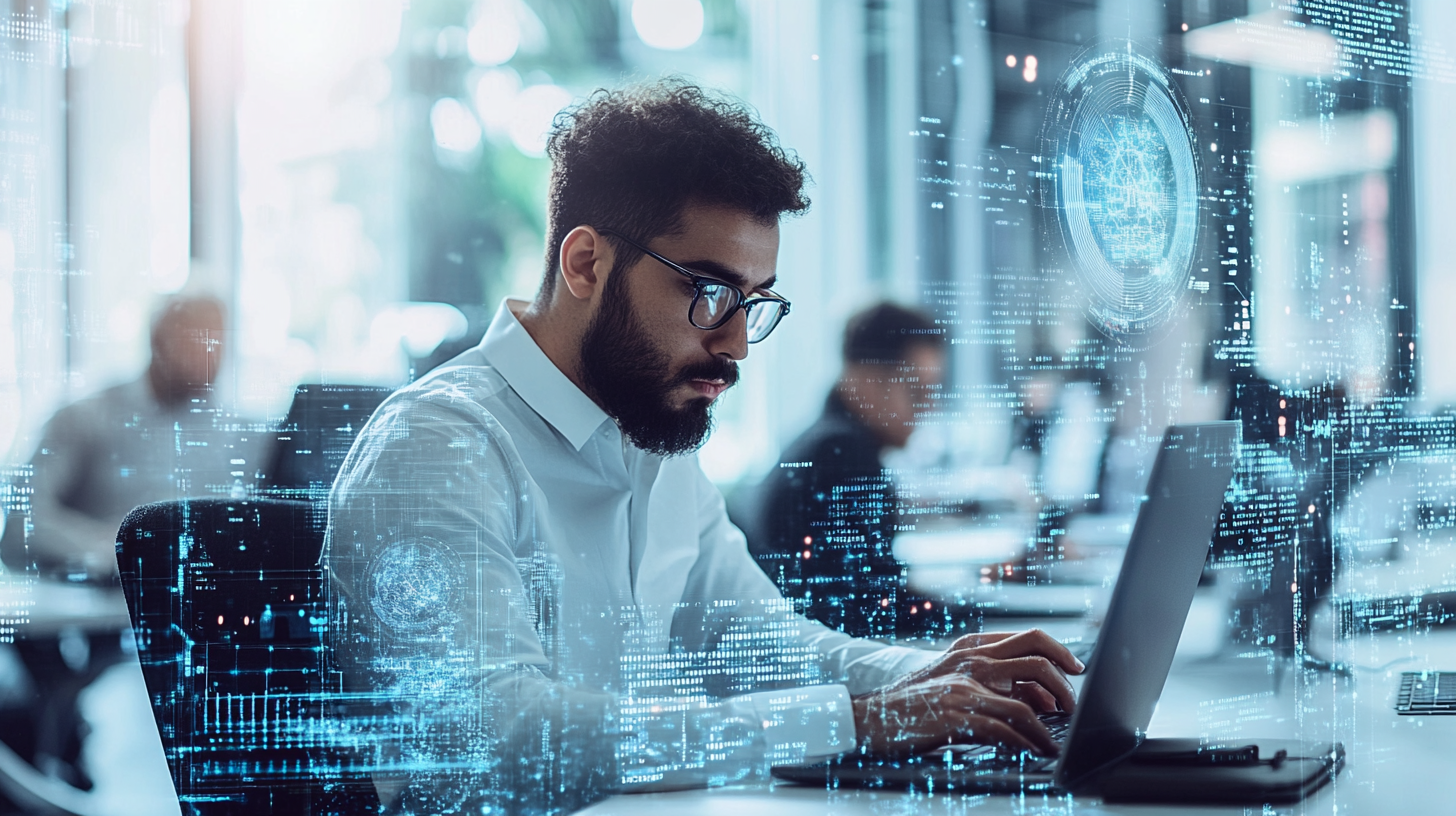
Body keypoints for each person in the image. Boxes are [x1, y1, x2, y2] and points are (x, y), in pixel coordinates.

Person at [324, 79, 1082, 815]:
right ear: (585, 264)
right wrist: (864, 719)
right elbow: (499, 740)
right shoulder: (437, 448)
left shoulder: (652, 440)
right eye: (708, 292)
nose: (736, 345)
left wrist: (939, 678)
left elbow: (759, 645)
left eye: (752, 303)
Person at [748, 302, 977, 639]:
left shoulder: (823, 444)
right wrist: (982, 608)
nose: (929, 407)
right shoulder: (842, 458)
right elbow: (867, 608)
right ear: (866, 381)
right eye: (917, 392)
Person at [24, 294, 261, 580]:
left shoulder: (231, 431)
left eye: (219, 342)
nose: (213, 356)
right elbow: (22, 521)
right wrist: (115, 548)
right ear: (158, 341)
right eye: (199, 340)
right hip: (101, 605)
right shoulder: (83, 419)